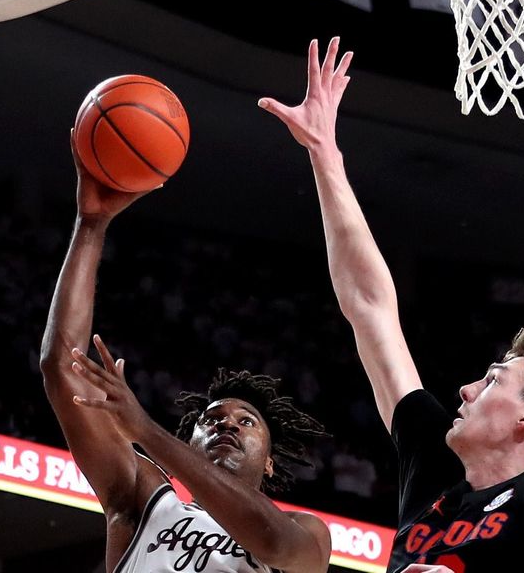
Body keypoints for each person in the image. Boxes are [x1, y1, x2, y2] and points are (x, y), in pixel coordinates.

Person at [258, 37, 524, 573]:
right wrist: (325, 155)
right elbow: (370, 308)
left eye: (494, 380)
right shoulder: (435, 461)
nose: (465, 388)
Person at [39, 136, 331, 573]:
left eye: (246, 422)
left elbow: (275, 542)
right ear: (191, 444)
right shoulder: (144, 501)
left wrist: (145, 430)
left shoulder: (305, 530)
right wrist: (91, 223)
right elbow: (62, 369)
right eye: (210, 420)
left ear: (269, 463)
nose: (227, 424)